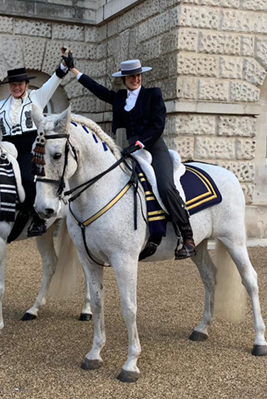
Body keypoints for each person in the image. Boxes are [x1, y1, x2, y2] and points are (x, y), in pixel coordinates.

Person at [65, 58, 196, 259]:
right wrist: (74, 71)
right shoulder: (120, 97)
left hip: (154, 147)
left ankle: (187, 238)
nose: (135, 79)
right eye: (131, 77)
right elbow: (98, 90)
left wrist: (141, 143)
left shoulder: (153, 94)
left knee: (165, 186)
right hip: (129, 149)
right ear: (124, 79)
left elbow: (158, 124)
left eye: (138, 75)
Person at [0, 58, 70, 236]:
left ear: (26, 85)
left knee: (26, 177)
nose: (16, 87)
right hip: (7, 146)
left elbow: (52, 83)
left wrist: (63, 67)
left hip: (30, 147)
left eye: (19, 84)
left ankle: (37, 219)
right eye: (13, 85)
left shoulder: (36, 97)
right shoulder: (2, 105)